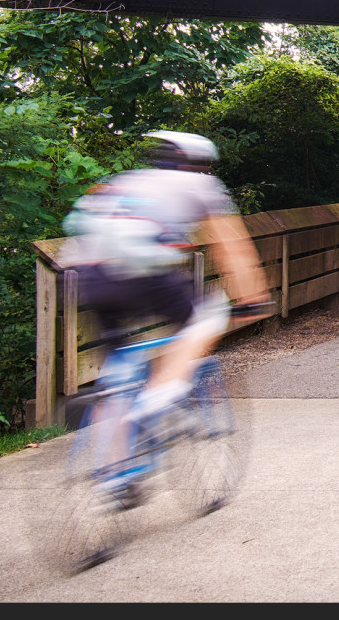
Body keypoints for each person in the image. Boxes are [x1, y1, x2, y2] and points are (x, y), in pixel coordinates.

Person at [59, 130, 271, 498]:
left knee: (118, 372)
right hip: (144, 271)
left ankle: (115, 477)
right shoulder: (202, 185)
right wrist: (253, 296)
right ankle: (163, 394)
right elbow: (232, 246)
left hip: (90, 275)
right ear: (200, 164)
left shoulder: (129, 181)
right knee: (207, 316)